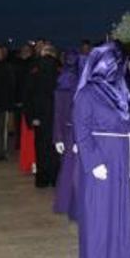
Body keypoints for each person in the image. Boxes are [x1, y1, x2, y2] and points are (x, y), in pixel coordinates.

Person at [73, 43, 130, 258]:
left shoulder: (123, 89)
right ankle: (97, 257)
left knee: (126, 203)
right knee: (100, 207)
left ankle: (126, 252)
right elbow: (81, 130)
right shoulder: (87, 94)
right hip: (102, 154)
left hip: (125, 153)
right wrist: (93, 162)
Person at [53, 50, 82, 218]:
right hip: (73, 129)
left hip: (69, 128)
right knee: (72, 167)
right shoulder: (80, 82)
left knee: (69, 167)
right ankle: (69, 202)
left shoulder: (63, 81)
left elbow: (58, 112)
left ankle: (66, 201)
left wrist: (57, 135)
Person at [27, 44, 60, 187]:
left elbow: (28, 95)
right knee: (55, 147)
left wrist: (31, 116)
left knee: (41, 147)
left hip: (39, 116)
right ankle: (55, 178)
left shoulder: (34, 71)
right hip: (55, 115)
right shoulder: (60, 71)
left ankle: (42, 179)